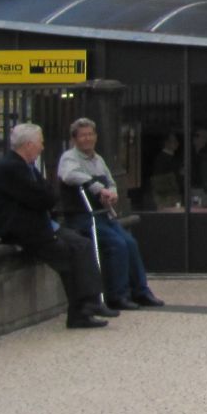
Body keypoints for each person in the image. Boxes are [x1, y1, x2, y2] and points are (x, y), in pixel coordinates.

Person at [0, 123, 110, 329]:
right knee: (67, 255)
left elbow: (49, 193)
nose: (42, 147)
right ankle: (79, 312)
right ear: (28, 145)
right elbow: (42, 198)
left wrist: (46, 195)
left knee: (82, 244)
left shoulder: (28, 166)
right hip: (21, 228)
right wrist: (46, 196)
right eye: (40, 143)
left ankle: (91, 302)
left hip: (40, 223)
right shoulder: (11, 167)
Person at [57, 117, 163, 310]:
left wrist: (112, 193)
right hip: (82, 216)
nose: (87, 139)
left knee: (130, 242)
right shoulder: (69, 158)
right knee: (117, 244)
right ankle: (117, 294)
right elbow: (69, 175)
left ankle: (140, 291)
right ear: (75, 139)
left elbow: (111, 181)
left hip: (102, 213)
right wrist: (97, 187)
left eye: (90, 134)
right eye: (83, 135)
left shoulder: (98, 159)